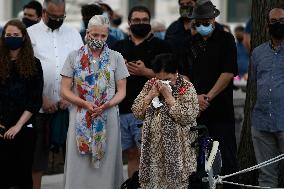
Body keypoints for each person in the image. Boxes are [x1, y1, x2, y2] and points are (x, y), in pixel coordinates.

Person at [61, 15, 129, 189]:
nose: (99, 39)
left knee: (107, 158)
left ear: (108, 36)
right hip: (80, 115)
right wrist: (83, 103)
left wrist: (107, 105)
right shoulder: (73, 57)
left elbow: (121, 91)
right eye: (95, 35)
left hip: (108, 115)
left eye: (103, 36)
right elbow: (65, 90)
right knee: (79, 160)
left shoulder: (116, 57)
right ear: (87, 33)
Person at [27, 0, 83, 189]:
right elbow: (26, 71)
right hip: (40, 106)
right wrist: (41, 98)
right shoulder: (30, 34)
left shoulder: (73, 33)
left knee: (74, 156)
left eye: (62, 17)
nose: (58, 20)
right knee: (37, 158)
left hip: (71, 105)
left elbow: (82, 68)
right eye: (54, 17)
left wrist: (71, 95)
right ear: (43, 12)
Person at [112, 5, 170, 178]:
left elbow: (171, 78)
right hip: (122, 110)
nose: (141, 23)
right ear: (129, 22)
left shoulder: (162, 46)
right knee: (131, 155)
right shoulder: (117, 46)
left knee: (149, 156)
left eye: (145, 20)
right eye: (136, 20)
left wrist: (146, 72)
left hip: (151, 111)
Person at [188, 1, 239, 188]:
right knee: (198, 160)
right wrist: (195, 98)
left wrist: (207, 97)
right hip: (196, 111)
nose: (202, 25)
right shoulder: (191, 42)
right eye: (198, 21)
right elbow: (184, 73)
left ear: (214, 20)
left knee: (225, 157)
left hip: (220, 110)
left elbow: (228, 73)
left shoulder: (226, 40)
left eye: (206, 21)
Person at [131, 53, 199, 188]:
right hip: (153, 150)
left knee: (177, 184)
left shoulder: (186, 87)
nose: (163, 83)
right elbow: (137, 112)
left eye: (168, 79)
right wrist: (149, 96)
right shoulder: (151, 84)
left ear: (176, 73)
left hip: (179, 151)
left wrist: (169, 98)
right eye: (160, 79)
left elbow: (188, 116)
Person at [0, 19, 43, 189]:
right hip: (1, 127)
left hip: (25, 128)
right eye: (8, 35)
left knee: (23, 176)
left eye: (16, 35)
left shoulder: (34, 64)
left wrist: (18, 126)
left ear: (24, 37)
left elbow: (35, 100)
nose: (12, 38)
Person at [251, 4, 284, 187]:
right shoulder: (257, 53)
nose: (277, 24)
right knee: (266, 176)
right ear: (267, 25)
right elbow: (255, 82)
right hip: (262, 123)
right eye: (273, 21)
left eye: (281, 21)